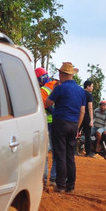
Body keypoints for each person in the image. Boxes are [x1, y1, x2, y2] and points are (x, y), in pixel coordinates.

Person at [44, 62, 86, 193]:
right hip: (74, 124)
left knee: (60, 154)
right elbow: (83, 111)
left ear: (62, 74)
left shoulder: (60, 88)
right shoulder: (81, 91)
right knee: (70, 155)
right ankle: (71, 186)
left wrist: (54, 89)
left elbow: (47, 103)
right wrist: (77, 128)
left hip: (60, 122)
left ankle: (61, 185)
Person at [36, 67, 59, 184]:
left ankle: (44, 178)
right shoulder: (57, 84)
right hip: (58, 122)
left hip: (47, 122)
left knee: (44, 150)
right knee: (56, 151)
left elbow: (47, 106)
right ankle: (54, 178)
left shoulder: (43, 90)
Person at [81, 80, 95, 157]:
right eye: (92, 86)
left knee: (75, 133)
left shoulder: (80, 93)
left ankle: (72, 150)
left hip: (78, 115)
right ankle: (88, 152)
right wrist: (91, 119)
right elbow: (90, 107)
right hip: (86, 117)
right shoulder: (89, 95)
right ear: (88, 86)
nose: (92, 88)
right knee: (87, 135)